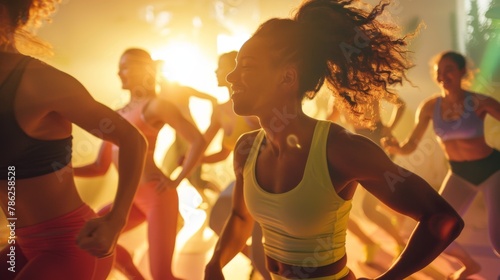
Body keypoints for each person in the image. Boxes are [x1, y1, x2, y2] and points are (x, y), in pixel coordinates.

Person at [203, 1, 464, 279]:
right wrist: (215, 263)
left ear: (288, 77)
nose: (231, 77)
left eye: (246, 67)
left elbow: (442, 219)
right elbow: (242, 218)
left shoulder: (339, 149)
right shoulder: (246, 149)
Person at [0, 1, 147, 279]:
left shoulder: (42, 83)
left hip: (70, 245)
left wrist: (116, 221)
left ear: (12, 11)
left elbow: (132, 140)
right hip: (23, 244)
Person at [74, 48, 206, 280]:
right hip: (130, 200)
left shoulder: (156, 106)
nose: (119, 73)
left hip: (157, 196)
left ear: (143, 69)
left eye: (125, 66)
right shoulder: (116, 115)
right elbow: (99, 167)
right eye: (119, 67)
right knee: (85, 237)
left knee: (163, 276)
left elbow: (197, 140)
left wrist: (177, 179)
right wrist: (64, 171)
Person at [382, 50, 500, 280]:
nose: (443, 76)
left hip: (492, 171)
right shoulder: (429, 108)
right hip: (459, 175)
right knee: (435, 235)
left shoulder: (478, 102)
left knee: (498, 243)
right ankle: (470, 265)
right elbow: (411, 145)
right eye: (439, 72)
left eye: (449, 70)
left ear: (462, 72)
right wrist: (395, 148)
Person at [203, 51, 267, 279]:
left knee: (262, 249)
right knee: (218, 219)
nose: (216, 72)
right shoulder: (221, 110)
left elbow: (274, 137)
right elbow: (220, 151)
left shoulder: (253, 108)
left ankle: (261, 264)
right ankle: (256, 260)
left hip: (266, 185)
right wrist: (192, 161)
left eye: (220, 66)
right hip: (243, 182)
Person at [328, 97, 408, 263]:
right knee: (365, 201)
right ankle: (390, 224)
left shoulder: (369, 87)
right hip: (358, 150)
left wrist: (389, 127)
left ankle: (400, 244)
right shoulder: (337, 96)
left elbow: (401, 104)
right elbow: (327, 122)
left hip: (378, 146)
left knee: (368, 207)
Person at [159, 73, 220, 205]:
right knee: (164, 173)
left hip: (191, 141)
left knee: (196, 181)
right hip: (178, 141)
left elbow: (213, 99)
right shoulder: (160, 96)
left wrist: (214, 123)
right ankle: (170, 210)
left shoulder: (183, 90)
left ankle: (220, 197)